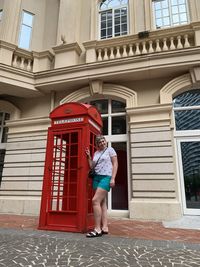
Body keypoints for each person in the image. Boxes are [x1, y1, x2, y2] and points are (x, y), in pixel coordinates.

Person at [85, 135, 118, 238]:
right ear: (97, 144)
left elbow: (115, 163)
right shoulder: (96, 153)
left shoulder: (110, 150)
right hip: (97, 178)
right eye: (100, 142)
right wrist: (89, 157)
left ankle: (97, 229)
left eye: (103, 141)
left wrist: (113, 178)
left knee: (95, 201)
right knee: (102, 203)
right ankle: (105, 227)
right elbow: (92, 166)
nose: (103, 143)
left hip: (106, 177)